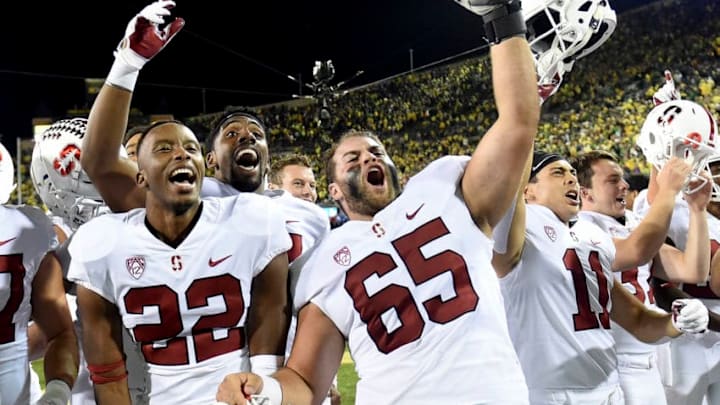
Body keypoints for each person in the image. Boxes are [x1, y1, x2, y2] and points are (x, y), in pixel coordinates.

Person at [215, 0, 540, 403]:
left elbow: (517, 125)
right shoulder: (322, 263)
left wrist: (501, 17)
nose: (369, 157)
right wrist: (266, 389)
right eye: (352, 158)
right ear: (332, 190)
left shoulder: (443, 189)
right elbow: (306, 382)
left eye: (377, 152)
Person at [67, 117, 293, 404]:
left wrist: (264, 392)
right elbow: (108, 372)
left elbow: (270, 313)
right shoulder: (103, 243)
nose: (181, 153)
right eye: (164, 149)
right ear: (141, 176)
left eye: (191, 148)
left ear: (202, 167)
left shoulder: (251, 218)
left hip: (240, 396)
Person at [491, 150, 708, 405]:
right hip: (548, 392)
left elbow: (637, 319)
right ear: (527, 190)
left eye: (572, 173)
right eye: (558, 173)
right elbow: (506, 196)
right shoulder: (521, 232)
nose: (571, 179)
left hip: (608, 386)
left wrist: (677, 323)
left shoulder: (591, 236)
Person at [571, 149, 712, 405]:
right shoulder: (576, 228)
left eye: (622, 179)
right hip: (607, 362)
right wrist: (667, 191)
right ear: (585, 192)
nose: (624, 185)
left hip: (646, 358)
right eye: (612, 180)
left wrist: (697, 209)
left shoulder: (630, 225)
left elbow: (693, 270)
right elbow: (634, 252)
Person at [29, 117, 153, 405]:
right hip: (99, 388)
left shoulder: (180, 219)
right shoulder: (71, 247)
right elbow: (46, 328)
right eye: (130, 152)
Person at [634, 81, 720, 405]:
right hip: (686, 334)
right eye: (716, 167)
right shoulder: (682, 205)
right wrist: (666, 121)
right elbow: (661, 194)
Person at [0, 141, 79, 405]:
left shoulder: (28, 230)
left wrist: (56, 395)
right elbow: (58, 333)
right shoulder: (28, 228)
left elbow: (58, 332)